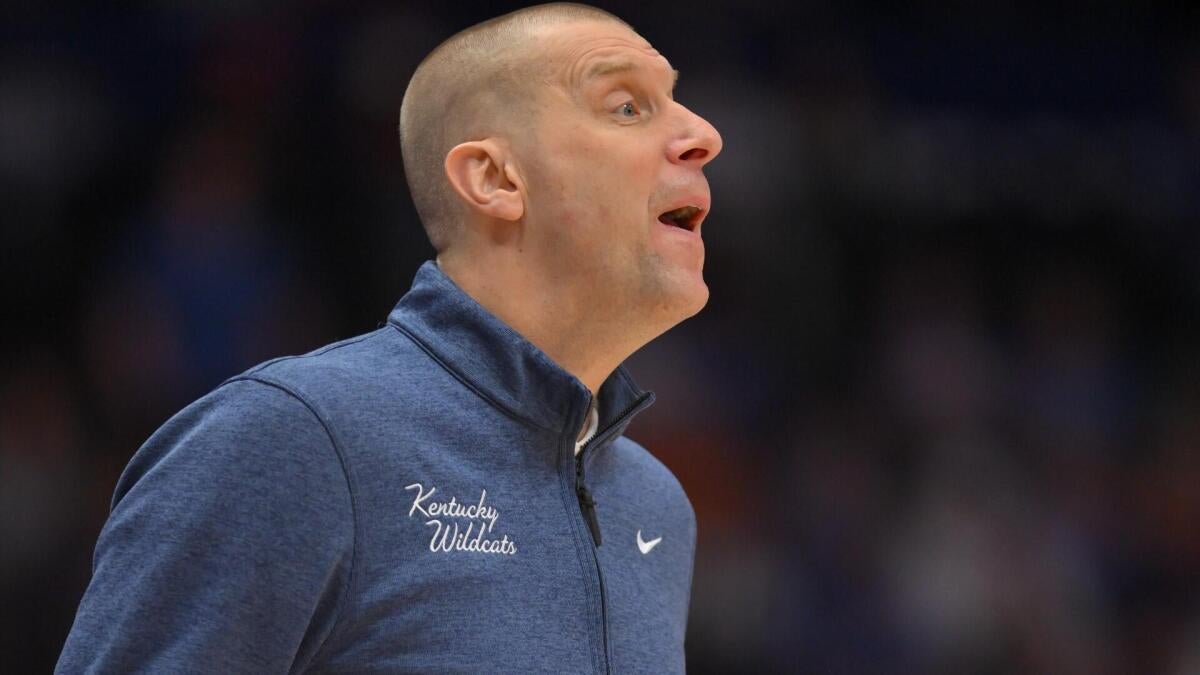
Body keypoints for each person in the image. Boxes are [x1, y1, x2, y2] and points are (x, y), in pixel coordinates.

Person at [56, 2, 722, 673]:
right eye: (627, 107)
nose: (704, 135)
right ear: (494, 179)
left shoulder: (655, 504)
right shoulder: (290, 440)